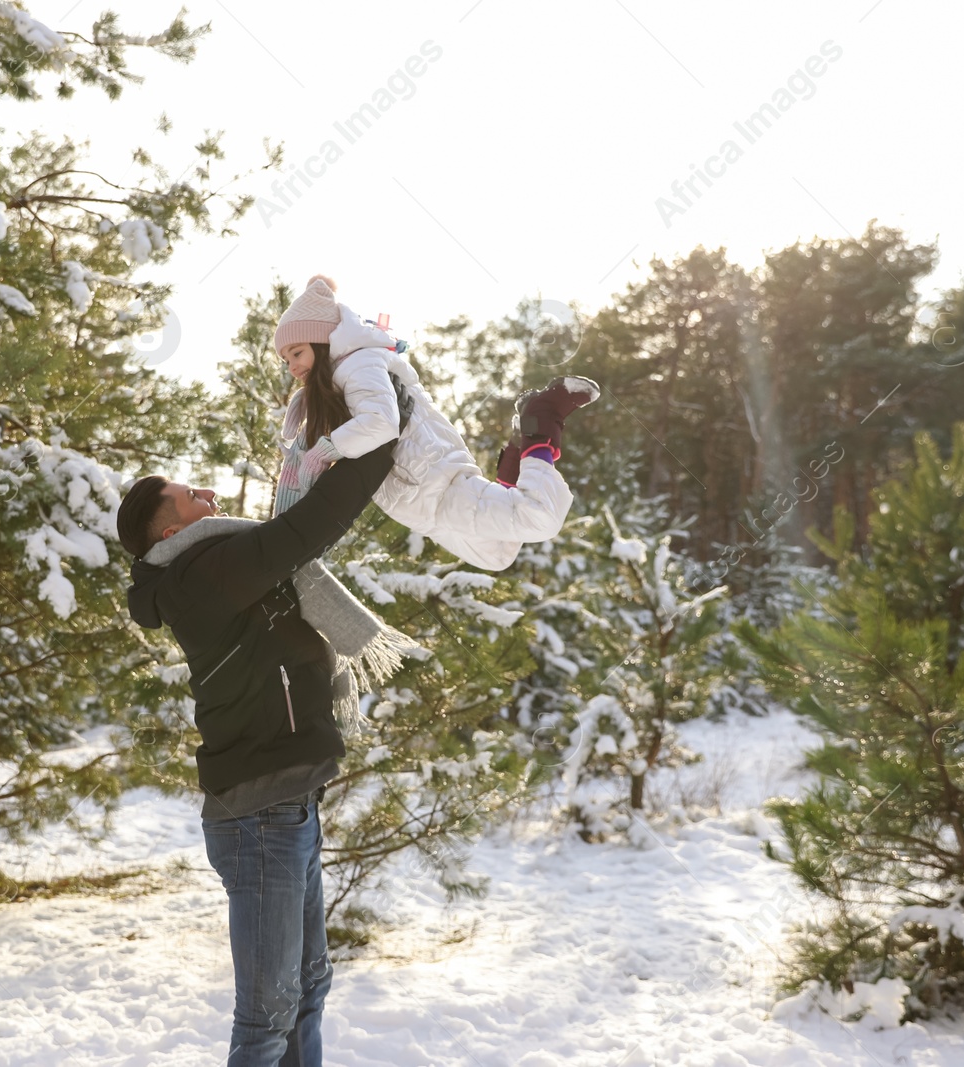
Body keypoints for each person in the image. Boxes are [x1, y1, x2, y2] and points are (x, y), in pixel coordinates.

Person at [117, 378, 416, 1067]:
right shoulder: (202, 578)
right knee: (266, 1016)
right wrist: (384, 426)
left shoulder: (215, 566)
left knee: (308, 987)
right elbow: (310, 527)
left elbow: (299, 510)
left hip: (287, 806)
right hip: (258, 818)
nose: (211, 497)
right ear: (171, 528)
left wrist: (338, 415)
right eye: (193, 495)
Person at [271, 274, 601, 569]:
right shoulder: (338, 380)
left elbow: (381, 422)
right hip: (419, 502)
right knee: (498, 555)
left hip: (435, 484)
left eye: (297, 353)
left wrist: (327, 449)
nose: (292, 367)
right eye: (286, 360)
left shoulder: (356, 366)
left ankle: (541, 420)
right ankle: (518, 443)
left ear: (322, 340)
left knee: (540, 517)